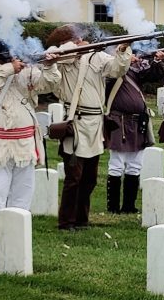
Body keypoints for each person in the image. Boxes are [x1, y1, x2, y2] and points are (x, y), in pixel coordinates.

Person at [0, 41, 60, 249]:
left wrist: (50, 65)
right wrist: (10, 68)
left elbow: (50, 84)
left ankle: (16, 242)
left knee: (22, 197)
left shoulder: (27, 73)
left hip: (24, 145)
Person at [46, 24, 132, 230]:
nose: (79, 41)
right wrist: (71, 49)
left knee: (89, 179)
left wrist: (122, 50)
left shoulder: (97, 56)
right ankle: (66, 221)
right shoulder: (62, 56)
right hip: (75, 122)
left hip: (95, 123)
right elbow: (52, 58)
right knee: (73, 178)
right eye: (74, 40)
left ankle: (82, 219)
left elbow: (117, 69)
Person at [103, 50, 164, 213]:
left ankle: (129, 206)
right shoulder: (113, 71)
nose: (135, 58)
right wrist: (124, 61)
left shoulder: (136, 72)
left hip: (138, 121)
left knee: (135, 164)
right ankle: (113, 207)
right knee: (116, 165)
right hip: (119, 120)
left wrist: (157, 60)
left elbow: (155, 75)